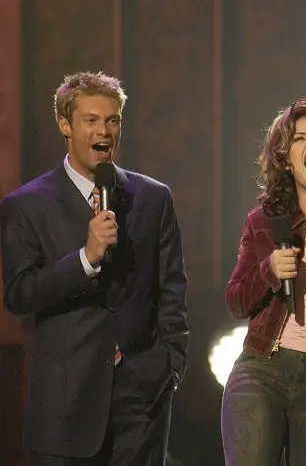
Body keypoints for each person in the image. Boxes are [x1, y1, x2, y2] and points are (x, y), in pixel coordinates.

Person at [0, 71, 189, 465]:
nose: (104, 130)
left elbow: (171, 288)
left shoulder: (153, 197)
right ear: (65, 125)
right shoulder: (26, 205)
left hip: (141, 396)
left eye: (112, 119)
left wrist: (169, 367)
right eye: (91, 120)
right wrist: (85, 260)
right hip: (65, 402)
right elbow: (19, 294)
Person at [222, 98, 306, 465]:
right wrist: (268, 271)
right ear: (286, 158)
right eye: (300, 139)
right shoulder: (263, 222)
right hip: (263, 368)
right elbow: (235, 301)